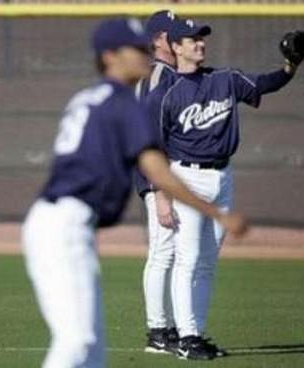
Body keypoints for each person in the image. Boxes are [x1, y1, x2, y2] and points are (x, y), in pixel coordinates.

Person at [21, 18, 248, 368]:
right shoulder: (124, 104)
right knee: (77, 340)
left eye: (146, 46)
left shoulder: (90, 97)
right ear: (110, 56)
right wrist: (216, 213)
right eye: (135, 48)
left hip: (64, 222)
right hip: (63, 224)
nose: (146, 53)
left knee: (92, 348)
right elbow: (158, 171)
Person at [145, 18, 297, 360]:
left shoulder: (225, 79)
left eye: (202, 38)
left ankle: (195, 333)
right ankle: (185, 338)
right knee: (187, 259)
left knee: (207, 262)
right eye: (192, 39)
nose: (200, 43)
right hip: (184, 178)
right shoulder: (164, 94)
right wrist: (160, 195)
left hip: (221, 178)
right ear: (176, 47)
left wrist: (289, 67)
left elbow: (266, 84)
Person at [133, 9, 182, 355]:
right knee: (163, 252)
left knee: (178, 253)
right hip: (158, 176)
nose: (179, 38)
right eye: (171, 34)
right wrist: (159, 188)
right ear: (158, 41)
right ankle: (158, 331)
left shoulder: (169, 74)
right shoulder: (158, 75)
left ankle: (176, 328)